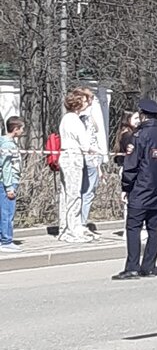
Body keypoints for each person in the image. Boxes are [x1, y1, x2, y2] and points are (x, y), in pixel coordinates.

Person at [113, 98, 157, 280]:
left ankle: (132, 267)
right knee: (154, 229)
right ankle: (149, 266)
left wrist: (126, 187)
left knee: (133, 227)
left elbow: (131, 166)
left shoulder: (139, 137)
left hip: (140, 190)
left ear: (143, 115)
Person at [58, 88, 93, 242]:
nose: (87, 103)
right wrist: (96, 149)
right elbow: (85, 144)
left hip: (65, 155)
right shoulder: (75, 120)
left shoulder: (65, 118)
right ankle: (73, 230)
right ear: (78, 103)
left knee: (65, 195)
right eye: (85, 100)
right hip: (73, 157)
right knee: (74, 195)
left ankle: (64, 228)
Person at [78, 86, 105, 232]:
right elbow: (89, 141)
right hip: (89, 157)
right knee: (87, 192)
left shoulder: (88, 114)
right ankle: (81, 223)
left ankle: (80, 222)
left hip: (92, 157)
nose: (92, 100)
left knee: (85, 191)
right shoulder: (83, 116)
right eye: (90, 98)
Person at [0, 116, 24, 248]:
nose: (22, 131)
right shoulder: (8, 144)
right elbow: (6, 167)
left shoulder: (6, 142)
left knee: (4, 211)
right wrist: (9, 187)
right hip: (8, 182)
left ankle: (2, 238)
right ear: (15, 129)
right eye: (21, 128)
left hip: (7, 181)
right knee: (7, 212)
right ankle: (6, 241)